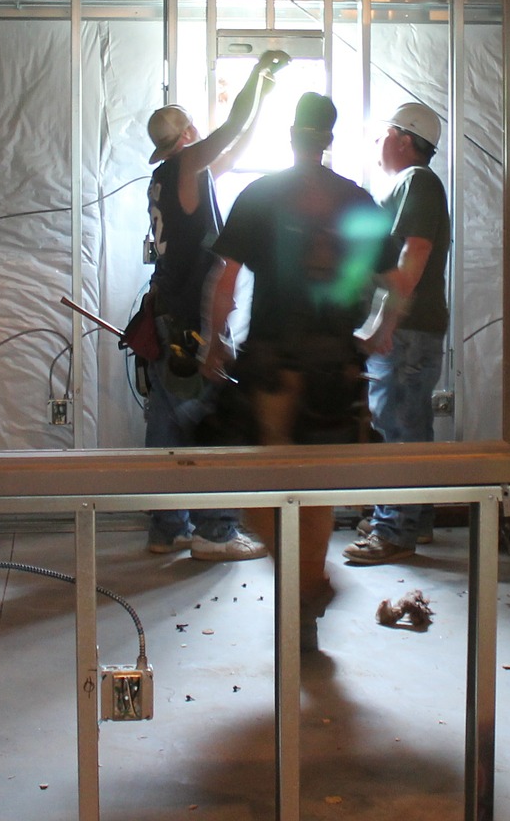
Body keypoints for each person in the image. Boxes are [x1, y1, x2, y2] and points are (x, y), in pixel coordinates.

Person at [200, 92, 391, 646]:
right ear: (328, 138)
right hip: (335, 369)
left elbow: (227, 275)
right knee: (315, 490)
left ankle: (302, 586)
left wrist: (217, 341)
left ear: (291, 133)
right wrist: (377, 332)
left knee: (267, 482)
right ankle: (305, 597)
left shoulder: (262, 195)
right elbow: (394, 280)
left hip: (276, 364)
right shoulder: (355, 200)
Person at [139, 48, 290, 561]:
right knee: (209, 420)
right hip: (189, 325)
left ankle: (168, 529)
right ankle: (216, 531)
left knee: (163, 427)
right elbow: (228, 130)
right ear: (185, 138)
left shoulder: (172, 176)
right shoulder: (185, 163)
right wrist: (256, 75)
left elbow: (233, 141)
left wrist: (263, 99)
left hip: (165, 318)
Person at [344, 102, 451, 565]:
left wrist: (385, 323)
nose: (379, 142)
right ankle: (414, 519)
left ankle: (395, 529)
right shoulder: (411, 185)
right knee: (412, 424)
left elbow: (416, 251)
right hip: (412, 328)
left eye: (385, 134)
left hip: (405, 329)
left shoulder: (418, 182)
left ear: (405, 139)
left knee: (397, 428)